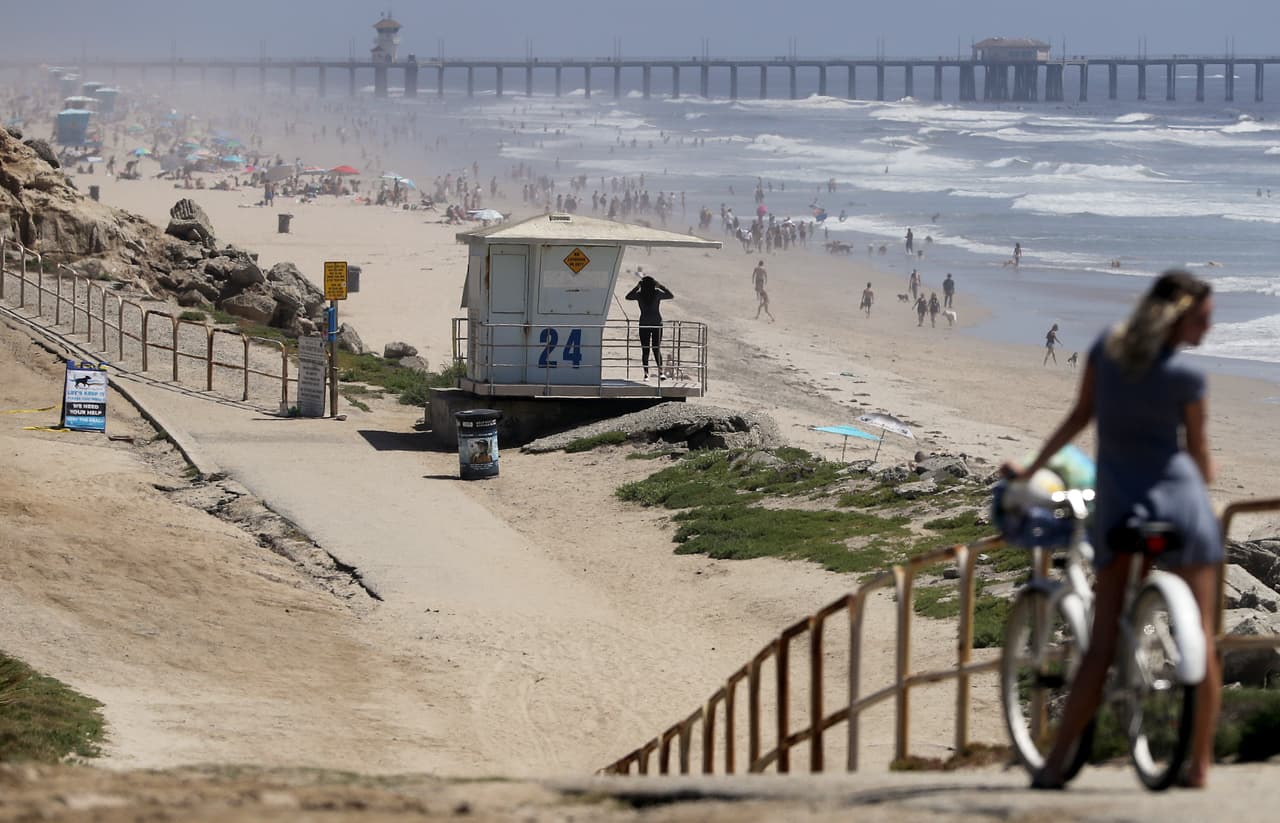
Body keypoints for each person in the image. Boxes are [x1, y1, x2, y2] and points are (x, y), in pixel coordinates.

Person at [1008, 270, 1220, 790]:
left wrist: (1034, 469)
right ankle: (1197, 766)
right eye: (1202, 319)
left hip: (1123, 506)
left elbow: (1079, 417)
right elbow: (1199, 458)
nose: (1207, 330)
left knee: (1101, 646)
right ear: (1176, 316)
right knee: (1206, 645)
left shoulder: (1106, 351)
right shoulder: (1187, 380)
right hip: (1184, 507)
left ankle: (1055, 765)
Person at [624, 275, 674, 379]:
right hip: (657, 324)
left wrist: (637, 287)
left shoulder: (639, 294)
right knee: (656, 349)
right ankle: (661, 372)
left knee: (645, 350)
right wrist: (660, 286)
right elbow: (670, 295)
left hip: (644, 324)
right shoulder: (657, 293)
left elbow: (628, 297)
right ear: (653, 284)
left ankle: (646, 374)